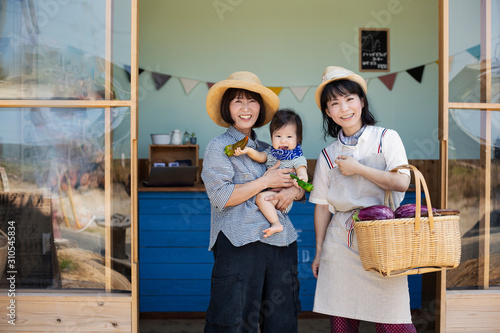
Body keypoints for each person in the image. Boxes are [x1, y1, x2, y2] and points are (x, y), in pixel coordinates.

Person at [309, 66, 417, 332]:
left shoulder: (387, 138)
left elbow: (403, 181)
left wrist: (358, 169)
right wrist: (320, 251)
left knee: (395, 323)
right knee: (342, 325)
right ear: (328, 112)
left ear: (361, 101)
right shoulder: (327, 154)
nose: (344, 108)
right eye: (335, 103)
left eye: (349, 99)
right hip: (340, 243)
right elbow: (322, 206)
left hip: (383, 241)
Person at [201, 71, 303, 332]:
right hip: (239, 246)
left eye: (252, 101)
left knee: (282, 321)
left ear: (260, 107)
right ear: (227, 108)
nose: (246, 108)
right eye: (237, 101)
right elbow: (221, 198)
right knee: (233, 322)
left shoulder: (271, 148)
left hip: (281, 244)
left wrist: (295, 192)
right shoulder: (217, 147)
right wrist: (264, 182)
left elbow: (300, 184)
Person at [233, 108, 308, 238]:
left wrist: (300, 179)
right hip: (273, 191)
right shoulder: (271, 152)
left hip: (283, 197)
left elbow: (303, 172)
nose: (283, 141)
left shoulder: (297, 158)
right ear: (272, 136)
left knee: (261, 198)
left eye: (289, 137)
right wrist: (248, 151)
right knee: (262, 198)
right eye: (278, 136)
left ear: (298, 138)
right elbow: (260, 156)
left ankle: (276, 223)